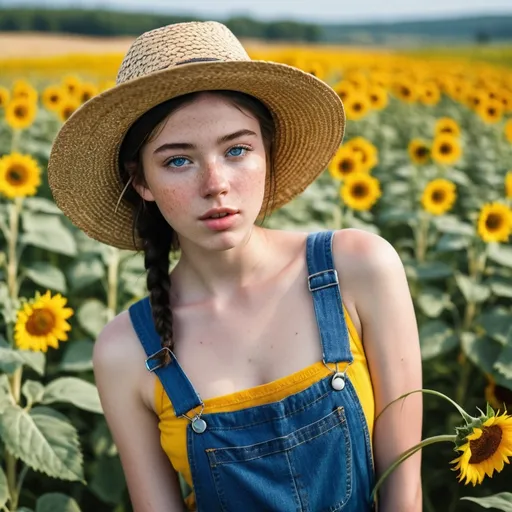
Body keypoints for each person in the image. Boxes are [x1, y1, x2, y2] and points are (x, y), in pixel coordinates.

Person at [48, 21, 423, 512]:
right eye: (179, 161)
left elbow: (405, 490)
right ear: (141, 181)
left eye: (237, 150)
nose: (216, 183)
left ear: (268, 153)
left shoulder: (360, 270)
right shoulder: (125, 352)